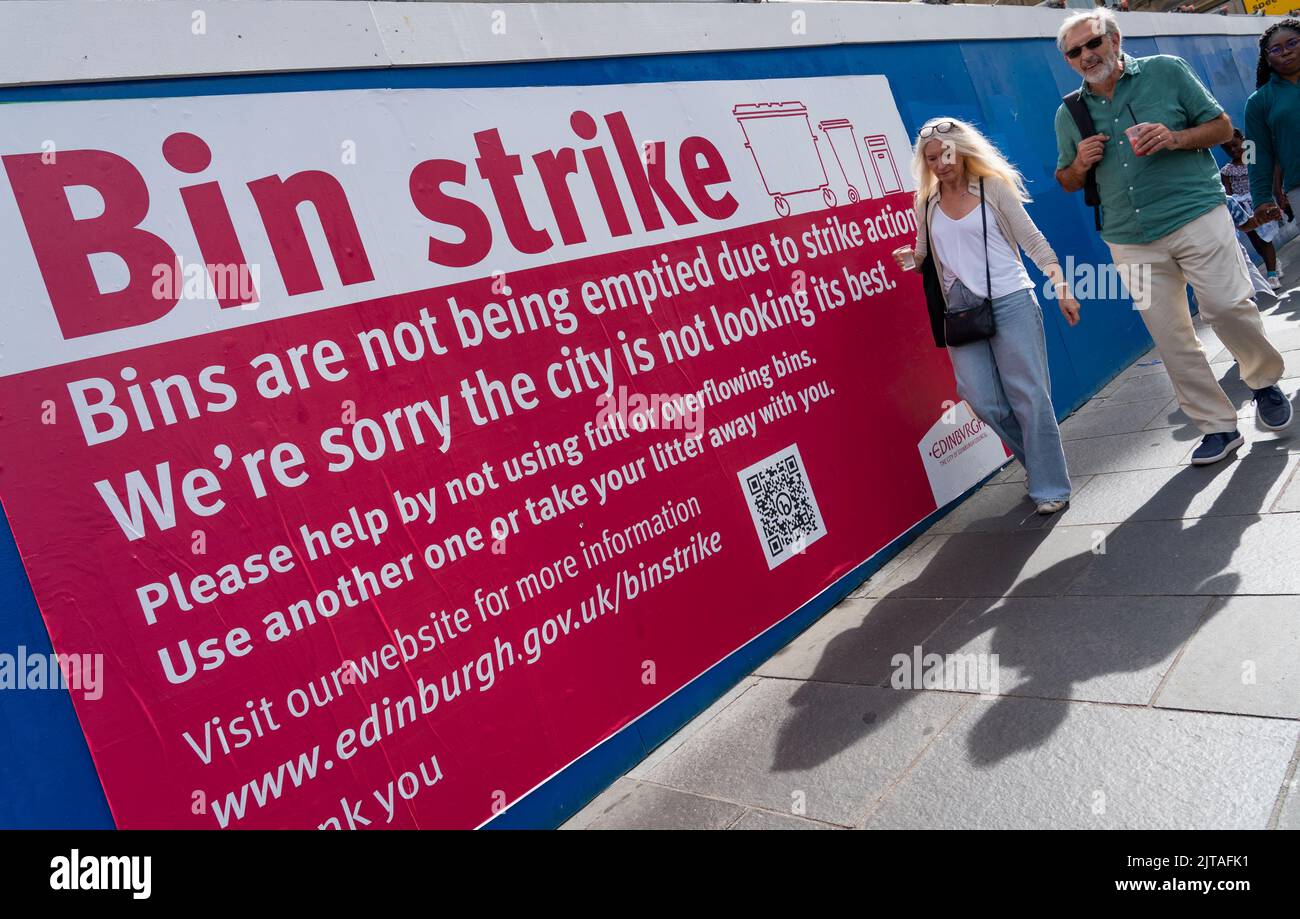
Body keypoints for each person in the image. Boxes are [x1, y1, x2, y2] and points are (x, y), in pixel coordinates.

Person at [1053, 8, 1292, 467]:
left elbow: (1222, 129)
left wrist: (1175, 137)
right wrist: (1080, 163)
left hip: (1195, 213)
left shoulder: (1166, 70)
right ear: (1068, 60)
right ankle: (1217, 426)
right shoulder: (1069, 112)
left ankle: (1262, 381)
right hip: (1128, 237)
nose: (1086, 55)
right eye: (1075, 51)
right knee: (1171, 336)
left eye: (1093, 43)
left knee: (1227, 306)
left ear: (1115, 38)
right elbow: (1065, 178)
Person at [892, 118, 1078, 515]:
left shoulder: (992, 187)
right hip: (961, 309)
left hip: (1011, 298)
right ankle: (1040, 463)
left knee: (1028, 394)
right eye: (930, 159)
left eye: (945, 153)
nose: (940, 163)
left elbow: (1032, 241)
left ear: (961, 150)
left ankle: (1050, 487)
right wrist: (913, 259)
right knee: (980, 398)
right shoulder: (926, 202)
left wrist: (1060, 285)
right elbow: (925, 252)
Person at [1246, 20, 1300, 243]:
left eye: (1293, 43)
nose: (1286, 52)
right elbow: (1254, 153)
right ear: (1267, 58)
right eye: (1276, 49)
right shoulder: (1259, 102)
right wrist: (1261, 198)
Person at [1220, 129, 1281, 290]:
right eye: (1228, 149)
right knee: (1256, 242)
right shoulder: (1226, 171)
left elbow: (1265, 173)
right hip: (1243, 210)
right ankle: (1274, 263)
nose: (1233, 150)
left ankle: (1272, 274)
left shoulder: (1252, 159)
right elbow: (1228, 193)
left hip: (1258, 203)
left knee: (1265, 239)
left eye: (1235, 145)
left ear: (1242, 140)